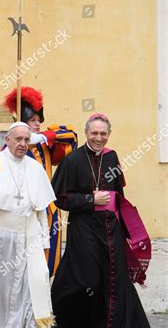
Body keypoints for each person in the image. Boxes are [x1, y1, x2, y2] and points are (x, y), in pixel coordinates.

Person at [51, 113, 150, 328]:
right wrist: (89, 199)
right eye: (94, 133)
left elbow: (118, 195)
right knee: (87, 281)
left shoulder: (112, 157)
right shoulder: (72, 160)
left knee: (116, 280)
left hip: (111, 231)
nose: (98, 137)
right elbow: (59, 198)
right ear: (86, 133)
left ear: (109, 134)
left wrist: (126, 230)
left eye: (103, 133)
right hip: (84, 230)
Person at [0, 122, 56, 328]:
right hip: (1, 241)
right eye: (18, 139)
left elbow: (41, 211)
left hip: (30, 240)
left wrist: (45, 243)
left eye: (27, 140)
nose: (22, 144)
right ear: (7, 139)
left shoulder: (36, 168)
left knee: (30, 290)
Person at [3, 86, 77, 276]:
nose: (37, 124)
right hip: (27, 210)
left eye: (38, 120)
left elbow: (71, 137)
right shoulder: (12, 147)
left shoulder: (44, 144)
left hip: (50, 209)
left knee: (51, 259)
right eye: (32, 120)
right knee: (30, 260)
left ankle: (45, 298)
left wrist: (44, 136)